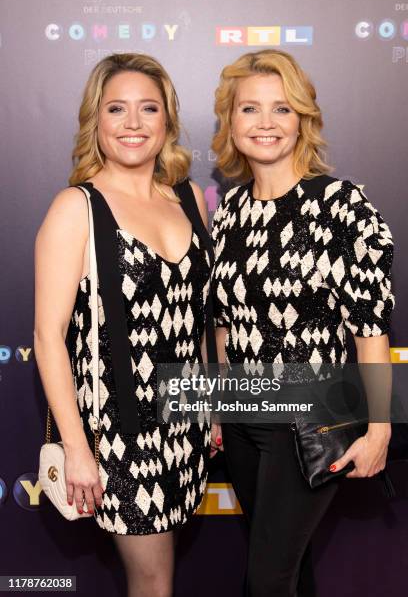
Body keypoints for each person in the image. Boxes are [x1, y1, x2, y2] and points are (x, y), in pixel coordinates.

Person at [210, 49, 394, 596]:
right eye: (250, 109)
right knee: (288, 568)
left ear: (303, 120)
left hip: (312, 414)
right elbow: (224, 321)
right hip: (243, 414)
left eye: (282, 109)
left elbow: (369, 324)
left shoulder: (340, 204)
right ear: (231, 121)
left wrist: (379, 427)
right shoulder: (231, 209)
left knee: (266, 579)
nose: (266, 122)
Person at [34, 53, 216, 597]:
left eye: (148, 109)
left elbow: (200, 318)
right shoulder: (77, 207)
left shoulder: (185, 199)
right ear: (97, 120)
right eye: (117, 109)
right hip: (119, 434)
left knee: (164, 572)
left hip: (187, 423)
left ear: (168, 121)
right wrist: (79, 449)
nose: (133, 123)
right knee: (153, 580)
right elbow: (48, 338)